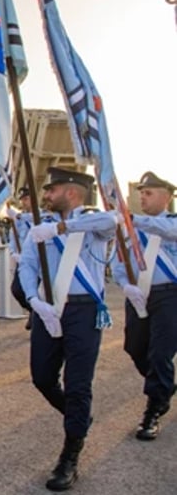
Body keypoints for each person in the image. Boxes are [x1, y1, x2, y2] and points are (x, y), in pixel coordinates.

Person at [19, 167, 117, 491]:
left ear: (72, 191)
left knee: (77, 385)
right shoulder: (40, 226)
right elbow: (27, 265)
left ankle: (70, 455)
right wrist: (34, 300)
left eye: (52, 189)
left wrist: (62, 227)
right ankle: (79, 418)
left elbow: (111, 223)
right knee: (42, 377)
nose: (46, 195)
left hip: (84, 312)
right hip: (49, 309)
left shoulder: (92, 221)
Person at [112, 171, 177, 441]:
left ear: (168, 197)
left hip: (169, 295)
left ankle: (154, 407)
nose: (143, 197)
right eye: (141, 193)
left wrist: (134, 220)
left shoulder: (171, 223)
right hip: (139, 295)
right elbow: (117, 262)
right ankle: (163, 385)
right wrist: (126, 285)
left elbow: (166, 231)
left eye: (149, 193)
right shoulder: (131, 228)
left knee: (159, 353)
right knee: (135, 347)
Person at [6, 186, 35, 329]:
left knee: (36, 291)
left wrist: (18, 216)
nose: (24, 202)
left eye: (27, 199)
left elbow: (36, 220)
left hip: (37, 261)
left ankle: (36, 316)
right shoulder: (17, 220)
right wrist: (13, 253)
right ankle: (32, 310)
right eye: (22, 199)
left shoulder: (40, 215)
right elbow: (12, 238)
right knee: (17, 290)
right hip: (22, 260)